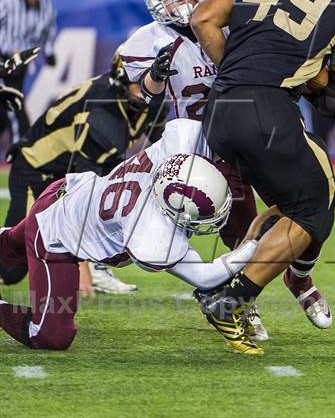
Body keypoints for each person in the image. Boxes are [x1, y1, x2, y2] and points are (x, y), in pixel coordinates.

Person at [190, 0, 335, 354]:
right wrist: (316, 80)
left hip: (219, 110)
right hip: (268, 109)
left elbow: (202, 17)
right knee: (315, 207)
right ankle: (230, 299)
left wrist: (236, 73)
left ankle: (231, 279)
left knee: (286, 206)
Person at [0, 119, 258, 350]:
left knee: (10, 246)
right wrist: (254, 246)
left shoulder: (177, 152)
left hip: (68, 192)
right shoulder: (149, 231)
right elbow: (205, 276)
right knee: (51, 337)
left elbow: (191, 129)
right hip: (55, 235)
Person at [120, 0, 267, 339]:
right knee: (163, 233)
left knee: (259, 221)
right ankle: (224, 295)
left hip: (240, 136)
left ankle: (249, 297)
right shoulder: (147, 41)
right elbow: (140, 96)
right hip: (189, 148)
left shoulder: (230, 22)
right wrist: (154, 75)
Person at [0, 49, 167, 294]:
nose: (144, 86)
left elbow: (162, 144)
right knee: (12, 266)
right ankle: (92, 264)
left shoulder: (150, 100)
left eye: (150, 77)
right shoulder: (102, 111)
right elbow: (82, 189)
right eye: (138, 79)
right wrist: (82, 266)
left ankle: (100, 262)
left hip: (72, 169)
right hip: (37, 172)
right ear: (122, 76)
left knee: (128, 192)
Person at [0, 0, 57, 140]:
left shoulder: (47, 8)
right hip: (3, 60)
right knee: (14, 107)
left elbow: (48, 33)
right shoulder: (8, 5)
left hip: (21, 65)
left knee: (4, 113)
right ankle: (21, 155)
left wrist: (49, 53)